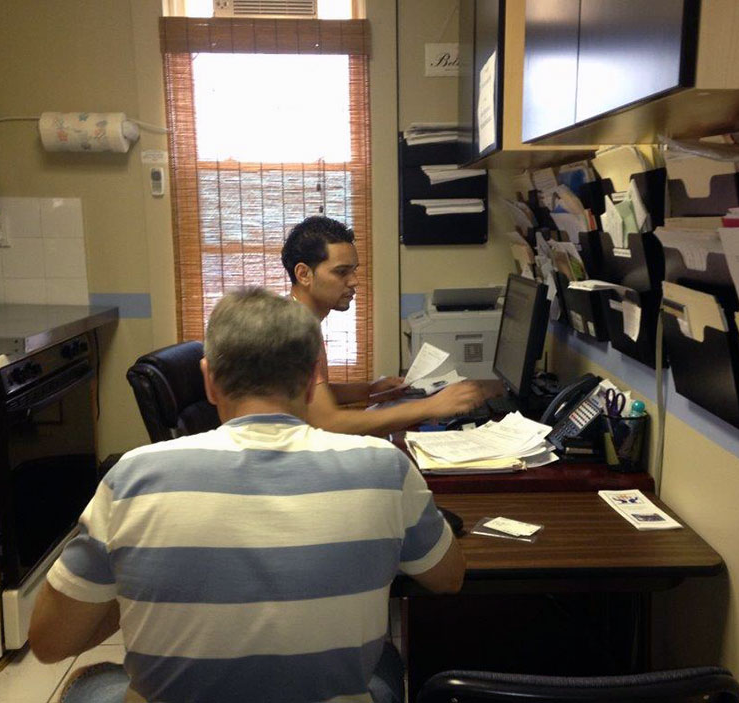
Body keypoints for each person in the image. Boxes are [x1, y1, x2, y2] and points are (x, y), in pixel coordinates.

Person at [29, 288, 465, 703]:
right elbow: (449, 579)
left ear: (209, 380)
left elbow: (50, 643)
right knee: (385, 663)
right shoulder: (384, 467)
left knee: (94, 680)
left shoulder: (131, 477)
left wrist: (132, 581)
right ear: (315, 378)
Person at [282, 216, 486, 435]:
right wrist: (430, 406)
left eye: (353, 271)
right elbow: (328, 422)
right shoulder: (291, 330)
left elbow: (309, 393)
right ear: (303, 274)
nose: (354, 281)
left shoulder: (300, 318)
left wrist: (370, 390)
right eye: (341, 272)